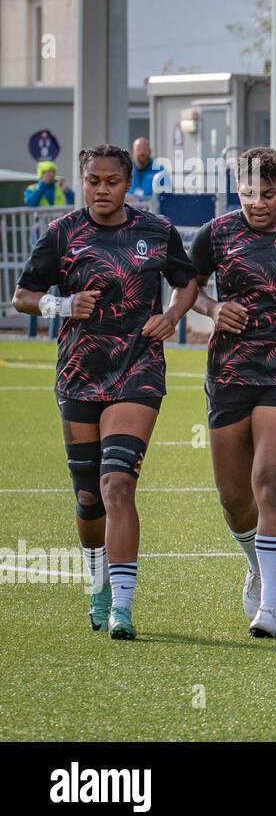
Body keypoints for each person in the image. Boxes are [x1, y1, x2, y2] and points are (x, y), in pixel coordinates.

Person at [13, 144, 198, 640]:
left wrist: (172, 316)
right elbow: (23, 296)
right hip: (79, 371)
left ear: (125, 183)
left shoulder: (156, 232)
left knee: (118, 483)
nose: (101, 189)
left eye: (111, 181)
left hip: (138, 368)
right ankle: (95, 578)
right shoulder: (62, 233)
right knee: (88, 495)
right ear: (83, 180)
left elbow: (187, 282)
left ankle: (121, 605)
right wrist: (63, 304)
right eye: (93, 180)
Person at [188, 147, 276, 637]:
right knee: (234, 498)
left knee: (272, 483)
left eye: (267, 193)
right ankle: (256, 563)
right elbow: (188, 290)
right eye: (247, 193)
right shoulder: (216, 234)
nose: (257, 202)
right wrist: (212, 308)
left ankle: (272, 611)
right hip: (230, 372)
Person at [128, 138, 168, 206]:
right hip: (128, 212)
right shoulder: (127, 170)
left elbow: (166, 198)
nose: (141, 153)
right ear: (133, 153)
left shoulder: (160, 173)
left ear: (150, 151)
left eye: (144, 149)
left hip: (151, 213)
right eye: (138, 149)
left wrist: (140, 199)